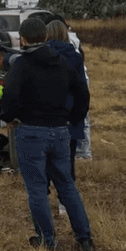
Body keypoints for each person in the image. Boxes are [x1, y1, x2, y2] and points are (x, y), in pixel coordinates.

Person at [1, 18, 94, 251]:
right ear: (45, 37)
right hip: (61, 131)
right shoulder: (64, 62)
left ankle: (46, 240)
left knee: (37, 189)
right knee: (67, 185)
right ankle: (84, 238)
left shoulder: (21, 65)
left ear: (22, 39)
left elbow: (9, 98)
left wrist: (10, 117)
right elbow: (82, 93)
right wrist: (73, 118)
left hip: (30, 132)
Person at [45, 20, 88, 216]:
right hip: (68, 116)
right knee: (66, 160)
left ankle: (42, 199)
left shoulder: (39, 55)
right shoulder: (75, 56)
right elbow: (82, 90)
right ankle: (65, 203)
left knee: (43, 159)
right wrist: (78, 116)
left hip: (44, 116)